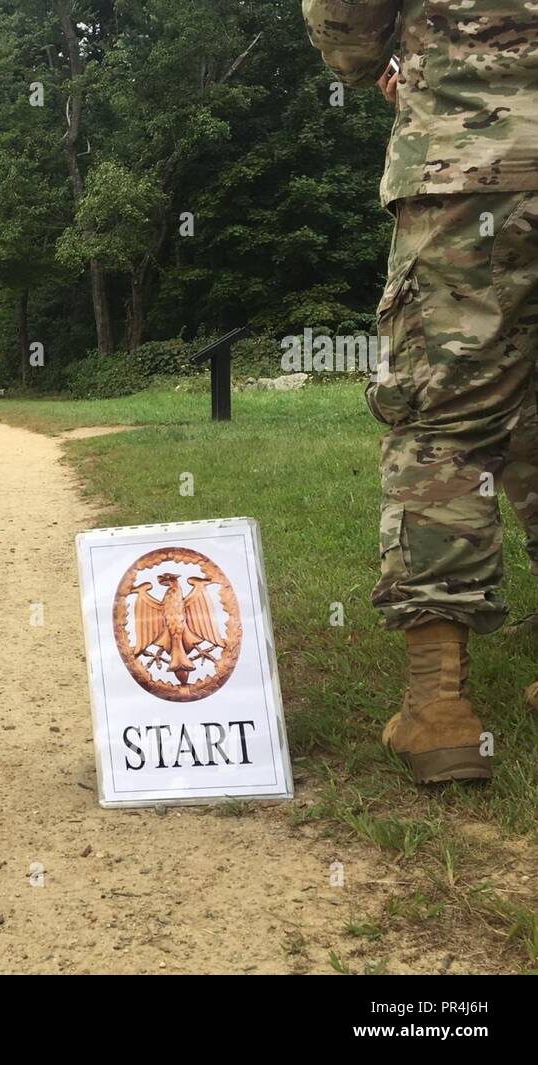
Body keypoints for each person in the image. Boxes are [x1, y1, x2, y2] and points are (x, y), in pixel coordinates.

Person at [302, 2, 538, 782]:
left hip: (476, 160)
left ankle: (440, 710)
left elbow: (347, 15)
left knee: (445, 419)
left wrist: (370, 63)